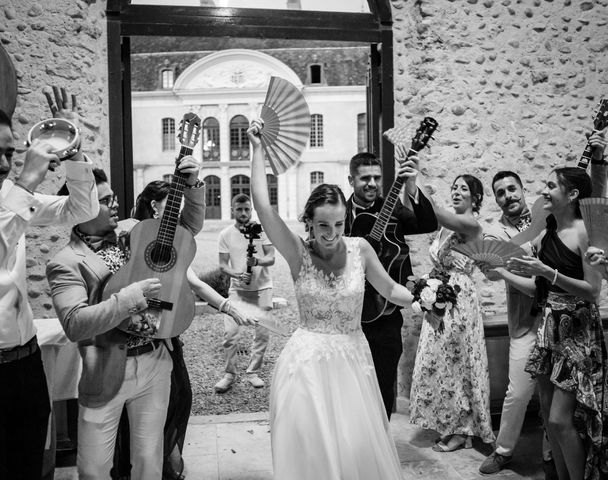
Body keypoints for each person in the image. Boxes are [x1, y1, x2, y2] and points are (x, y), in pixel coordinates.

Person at [248, 119, 414, 479]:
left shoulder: (361, 249)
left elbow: (390, 290)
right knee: (314, 452)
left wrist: (423, 298)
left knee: (355, 447)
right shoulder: (297, 253)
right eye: (323, 226)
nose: (332, 234)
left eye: (339, 224)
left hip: (354, 361)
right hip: (306, 365)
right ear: (309, 222)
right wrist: (257, 149)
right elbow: (263, 206)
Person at [46, 162, 204, 480]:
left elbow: (186, 228)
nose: (114, 203)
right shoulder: (64, 263)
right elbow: (76, 323)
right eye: (104, 201)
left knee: (149, 462)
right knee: (95, 469)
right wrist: (129, 299)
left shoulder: (131, 231)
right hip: (104, 371)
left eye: (113, 197)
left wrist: (193, 186)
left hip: (154, 363)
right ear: (79, 210)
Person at [479, 132, 608, 476]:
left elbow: (592, 292)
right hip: (548, 330)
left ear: (571, 195)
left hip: (577, 333)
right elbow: (521, 266)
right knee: (549, 421)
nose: (543, 191)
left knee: (559, 420)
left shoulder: (585, 232)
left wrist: (547, 273)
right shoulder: (545, 229)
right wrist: (490, 261)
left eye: (550, 185)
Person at [112, 180, 254, 480]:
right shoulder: (130, 235)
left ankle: (165, 457)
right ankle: (143, 466)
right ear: (155, 206)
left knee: (181, 396)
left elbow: (195, 281)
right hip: (128, 337)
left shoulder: (171, 239)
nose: (177, 213)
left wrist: (228, 307)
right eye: (171, 206)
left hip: (166, 333)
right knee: (141, 411)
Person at [0, 97, 99, 479]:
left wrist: (73, 153)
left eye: (10, 152)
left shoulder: (10, 199)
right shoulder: (17, 193)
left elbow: (81, 211)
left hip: (25, 365)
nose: (6, 163)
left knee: (29, 467)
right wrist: (26, 181)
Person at [344, 150, 438, 418]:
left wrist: (411, 185)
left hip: (386, 310)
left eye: (376, 177)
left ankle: (381, 437)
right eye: (365, 178)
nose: (372, 184)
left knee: (384, 381)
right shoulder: (341, 213)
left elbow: (427, 223)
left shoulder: (392, 208)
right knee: (350, 383)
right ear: (351, 180)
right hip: (350, 314)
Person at [409, 174, 495, 452]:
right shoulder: (445, 230)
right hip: (440, 297)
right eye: (454, 187)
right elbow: (426, 213)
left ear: (476, 198)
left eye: (464, 189)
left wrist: (416, 176)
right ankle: (451, 425)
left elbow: (433, 211)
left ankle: (462, 430)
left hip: (459, 300)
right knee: (442, 363)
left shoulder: (470, 224)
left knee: (458, 363)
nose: (457, 192)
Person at [214, 193, 275, 393]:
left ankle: (253, 371)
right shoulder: (225, 234)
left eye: (247, 209)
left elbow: (271, 257)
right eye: (239, 209)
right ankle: (229, 373)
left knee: (262, 334)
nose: (243, 213)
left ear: (251, 209)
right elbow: (223, 265)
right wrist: (237, 275)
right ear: (233, 209)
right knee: (230, 334)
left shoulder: (261, 230)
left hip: (263, 288)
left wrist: (257, 261)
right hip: (238, 290)